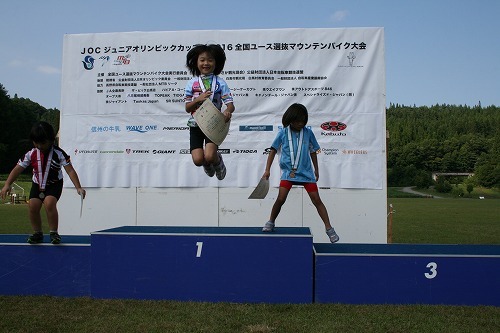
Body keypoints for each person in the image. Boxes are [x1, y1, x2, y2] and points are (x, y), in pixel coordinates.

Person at [261, 103, 340, 243]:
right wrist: (267, 170)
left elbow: (313, 151)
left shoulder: (308, 133)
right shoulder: (283, 133)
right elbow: (272, 150)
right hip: (288, 174)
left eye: (303, 121)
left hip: (306, 174)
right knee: (281, 199)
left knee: (317, 200)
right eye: (298, 121)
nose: (301, 123)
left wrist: (316, 169)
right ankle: (271, 221)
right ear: (290, 119)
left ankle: (329, 228)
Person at [0, 121, 86, 244]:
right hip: (37, 184)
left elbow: (70, 171)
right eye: (36, 143)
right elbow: (18, 168)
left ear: (51, 140)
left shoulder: (59, 153)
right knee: (33, 205)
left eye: (43, 143)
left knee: (49, 203)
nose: (39, 146)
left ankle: (54, 233)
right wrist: (7, 184)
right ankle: (38, 233)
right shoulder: (31, 154)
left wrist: (78, 187)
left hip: (54, 184)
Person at [184, 44, 235, 180]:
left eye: (210, 60)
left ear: (216, 63)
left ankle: (217, 161)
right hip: (196, 124)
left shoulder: (220, 83)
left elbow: (230, 105)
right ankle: (207, 164)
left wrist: (227, 111)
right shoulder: (192, 83)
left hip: (214, 124)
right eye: (202, 60)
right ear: (196, 62)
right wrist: (198, 99)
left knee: (210, 155)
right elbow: (187, 108)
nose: (206, 63)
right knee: (198, 160)